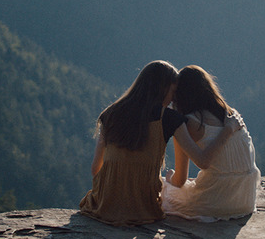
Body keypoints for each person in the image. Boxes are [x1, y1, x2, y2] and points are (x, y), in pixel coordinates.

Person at [79, 61, 241, 226]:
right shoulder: (170, 118)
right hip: (142, 209)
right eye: (173, 91)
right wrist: (227, 130)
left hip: (102, 205)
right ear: (163, 89)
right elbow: (203, 161)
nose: (173, 99)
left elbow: (95, 170)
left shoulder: (110, 113)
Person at [162, 65, 260, 222]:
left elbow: (182, 179)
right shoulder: (232, 115)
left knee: (164, 189)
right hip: (246, 199)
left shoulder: (188, 123)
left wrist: (170, 179)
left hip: (216, 202)